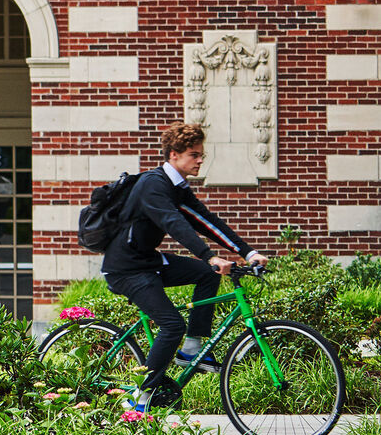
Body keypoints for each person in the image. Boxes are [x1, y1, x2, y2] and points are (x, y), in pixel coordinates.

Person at [103, 122, 267, 411]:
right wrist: (208, 255)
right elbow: (173, 223)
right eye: (194, 154)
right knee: (172, 324)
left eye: (201, 154)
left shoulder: (177, 187)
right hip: (126, 268)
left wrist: (247, 251)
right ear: (174, 155)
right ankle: (140, 399)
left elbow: (206, 221)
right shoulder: (153, 185)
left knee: (207, 274)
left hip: (148, 261)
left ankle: (193, 350)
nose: (200, 160)